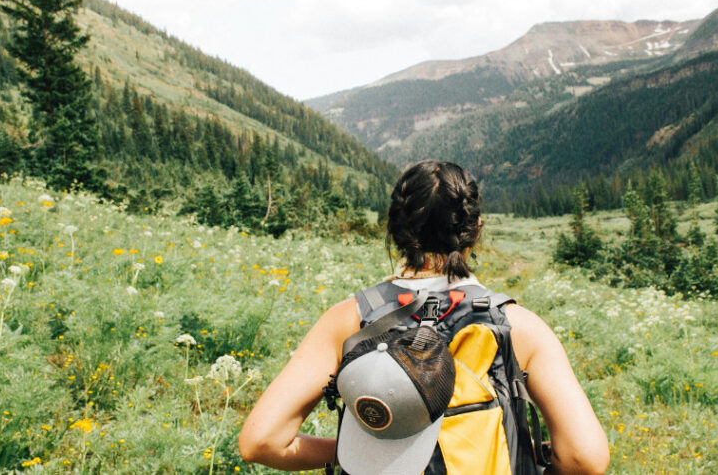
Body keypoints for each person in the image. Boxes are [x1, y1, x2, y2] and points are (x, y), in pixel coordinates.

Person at [239, 160, 609, 474]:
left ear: (395, 231)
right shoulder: (518, 325)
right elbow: (585, 457)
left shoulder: (349, 319)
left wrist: (351, 454)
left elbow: (262, 442)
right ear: (475, 231)